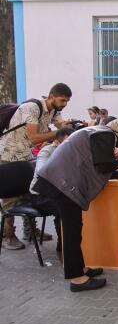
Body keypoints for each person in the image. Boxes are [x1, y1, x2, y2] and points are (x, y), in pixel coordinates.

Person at [33, 119, 118, 291]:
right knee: (72, 232)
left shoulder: (95, 133)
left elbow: (101, 169)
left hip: (60, 183)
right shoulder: (105, 134)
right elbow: (104, 166)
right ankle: (77, 279)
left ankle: (80, 269)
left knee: (75, 230)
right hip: (62, 184)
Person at [1, 83, 72, 250]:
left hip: (26, 155)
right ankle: (8, 236)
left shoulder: (54, 110)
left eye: (67, 101)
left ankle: (30, 231)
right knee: (10, 199)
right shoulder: (31, 108)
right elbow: (34, 138)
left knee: (27, 193)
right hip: (8, 154)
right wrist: (59, 133)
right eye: (62, 100)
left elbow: (62, 128)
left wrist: (70, 129)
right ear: (52, 96)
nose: (64, 104)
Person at [24, 126, 76, 255]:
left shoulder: (72, 151)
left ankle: (80, 244)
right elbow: (43, 171)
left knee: (76, 205)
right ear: (57, 143)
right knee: (65, 209)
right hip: (40, 195)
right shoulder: (46, 151)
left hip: (59, 192)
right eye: (67, 144)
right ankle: (64, 247)